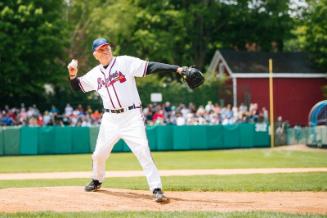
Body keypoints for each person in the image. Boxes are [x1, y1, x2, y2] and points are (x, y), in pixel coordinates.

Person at [67, 38, 200, 202]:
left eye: (107, 47)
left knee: (143, 151)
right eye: (102, 49)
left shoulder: (125, 62)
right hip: (110, 119)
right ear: (96, 54)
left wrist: (177, 69)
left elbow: (150, 66)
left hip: (131, 116)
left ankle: (156, 188)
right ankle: (97, 179)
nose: (106, 50)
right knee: (99, 154)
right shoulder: (94, 74)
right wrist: (72, 75)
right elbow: (77, 86)